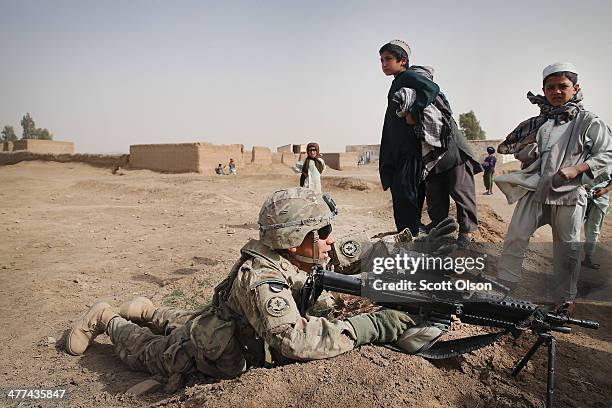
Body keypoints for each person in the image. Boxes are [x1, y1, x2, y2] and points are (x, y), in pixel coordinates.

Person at [65, 188, 444, 391]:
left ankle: (148, 311)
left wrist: (416, 249)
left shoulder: (303, 254)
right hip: (211, 347)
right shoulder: (262, 279)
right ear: (296, 239)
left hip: (228, 320)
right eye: (322, 233)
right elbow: (294, 341)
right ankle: (108, 317)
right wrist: (373, 326)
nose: (330, 240)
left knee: (184, 319)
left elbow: (361, 252)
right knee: (149, 352)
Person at [494, 62, 612, 305]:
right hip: (536, 189)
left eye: (563, 86)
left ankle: (565, 299)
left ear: (575, 88)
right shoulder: (537, 122)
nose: (557, 91)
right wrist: (526, 152)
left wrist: (578, 168)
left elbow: (607, 154)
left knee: (567, 249)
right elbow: (513, 148)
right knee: (516, 236)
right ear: (544, 89)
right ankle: (504, 286)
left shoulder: (589, 121)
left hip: (568, 194)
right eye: (551, 87)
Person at [391, 63, 482, 245]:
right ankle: (440, 226)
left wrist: (414, 112)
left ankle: (467, 231)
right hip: (431, 157)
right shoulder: (411, 99)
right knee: (435, 195)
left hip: (454, 153)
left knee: (461, 192)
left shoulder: (434, 97)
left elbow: (421, 118)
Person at [378, 40, 439, 236]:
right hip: (397, 147)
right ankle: (407, 231)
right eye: (381, 60)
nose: (384, 64)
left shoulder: (408, 76)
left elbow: (431, 88)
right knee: (401, 191)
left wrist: (414, 110)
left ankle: (410, 231)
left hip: (408, 147)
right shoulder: (397, 80)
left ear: (403, 60)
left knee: (406, 192)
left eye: (388, 59)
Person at [582, 168, 612, 269]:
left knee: (593, 229)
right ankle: (566, 255)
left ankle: (588, 258)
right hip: (581, 194)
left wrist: (605, 190)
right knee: (571, 225)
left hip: (600, 199)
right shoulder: (589, 152)